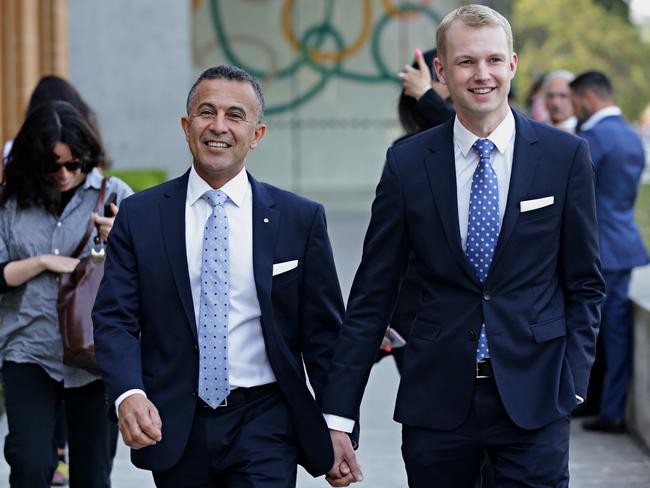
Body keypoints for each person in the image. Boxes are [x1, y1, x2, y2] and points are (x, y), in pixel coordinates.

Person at [323, 5, 605, 487]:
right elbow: (372, 298)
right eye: (466, 62)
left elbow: (585, 285)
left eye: (494, 60)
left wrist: (572, 384)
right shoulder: (407, 164)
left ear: (512, 65)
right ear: (441, 71)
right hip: (436, 404)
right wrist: (338, 416)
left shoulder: (564, 158)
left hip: (536, 401)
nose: (482, 75)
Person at [92, 65, 350, 487]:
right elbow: (114, 318)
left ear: (257, 134)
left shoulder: (299, 219)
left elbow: (323, 334)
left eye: (235, 115)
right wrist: (129, 393)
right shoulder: (140, 216)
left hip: (266, 422)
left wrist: (337, 423)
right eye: (206, 112)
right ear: (186, 125)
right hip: (175, 421)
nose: (218, 126)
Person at [0, 101, 131, 487]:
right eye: (51, 165)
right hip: (29, 348)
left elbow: (153, 275)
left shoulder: (113, 195)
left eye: (74, 164)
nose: (64, 174)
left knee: (92, 476)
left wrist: (121, 240)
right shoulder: (9, 203)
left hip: (95, 354)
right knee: (30, 464)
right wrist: (42, 261)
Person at [570, 71, 650, 433]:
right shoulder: (632, 138)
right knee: (615, 334)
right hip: (623, 246)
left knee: (587, 330)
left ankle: (596, 405)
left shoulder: (591, 139)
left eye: (574, 102)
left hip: (596, 250)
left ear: (587, 98)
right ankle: (611, 408)